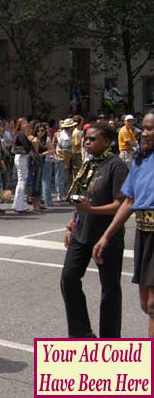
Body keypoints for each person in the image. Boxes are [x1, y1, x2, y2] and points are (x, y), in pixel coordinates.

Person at [60, 122, 128, 338]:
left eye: (93, 139)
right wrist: (72, 225)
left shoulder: (116, 166)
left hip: (106, 237)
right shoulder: (88, 165)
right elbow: (80, 200)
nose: (87, 142)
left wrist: (92, 209)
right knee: (68, 279)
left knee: (109, 290)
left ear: (107, 142)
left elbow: (121, 204)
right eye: (86, 139)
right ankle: (82, 333)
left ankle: (110, 339)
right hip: (81, 234)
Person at [94, 112, 154, 337]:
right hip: (144, 233)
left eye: (150, 129)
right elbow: (129, 201)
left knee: (152, 306)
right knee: (144, 303)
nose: (145, 133)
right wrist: (106, 236)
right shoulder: (141, 160)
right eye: (144, 128)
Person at [12, 119, 35, 213]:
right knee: (22, 180)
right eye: (24, 123)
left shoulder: (22, 134)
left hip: (21, 157)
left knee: (21, 180)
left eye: (27, 123)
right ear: (20, 125)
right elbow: (26, 146)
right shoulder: (21, 134)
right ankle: (19, 205)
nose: (26, 125)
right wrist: (32, 154)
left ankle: (18, 203)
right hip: (22, 157)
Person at [54, 118, 76, 200]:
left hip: (60, 157)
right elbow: (65, 151)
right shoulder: (66, 137)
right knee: (62, 177)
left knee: (60, 176)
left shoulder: (62, 133)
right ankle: (61, 194)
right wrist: (67, 163)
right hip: (62, 159)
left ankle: (61, 192)